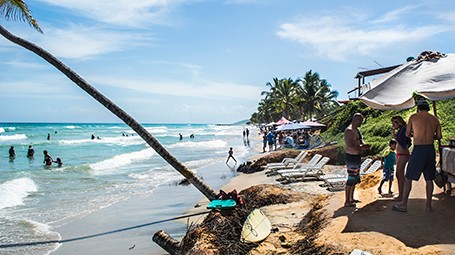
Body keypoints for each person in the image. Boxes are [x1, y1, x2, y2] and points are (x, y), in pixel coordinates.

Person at [393, 99, 442, 213]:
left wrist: (416, 134)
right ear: (428, 108)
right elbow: (439, 136)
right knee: (429, 179)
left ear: (418, 108)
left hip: (419, 149)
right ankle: (428, 206)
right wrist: (430, 136)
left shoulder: (413, 117)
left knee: (409, 177)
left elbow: (407, 133)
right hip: (430, 149)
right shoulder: (435, 119)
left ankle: (404, 204)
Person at [344, 113, 370, 207]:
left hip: (356, 156)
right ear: (356, 120)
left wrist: (363, 146)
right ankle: (347, 200)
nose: (361, 123)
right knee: (351, 178)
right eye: (360, 121)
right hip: (351, 156)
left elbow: (359, 141)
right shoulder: (349, 130)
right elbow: (350, 144)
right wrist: (362, 147)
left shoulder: (356, 130)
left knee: (355, 178)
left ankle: (351, 198)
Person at [391, 115, 411, 201]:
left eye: (393, 123)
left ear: (398, 122)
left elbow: (403, 141)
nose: (393, 125)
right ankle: (401, 194)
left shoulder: (403, 129)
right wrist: (394, 133)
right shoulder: (402, 130)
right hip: (400, 154)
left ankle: (401, 195)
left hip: (403, 154)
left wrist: (395, 134)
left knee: (399, 174)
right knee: (399, 174)